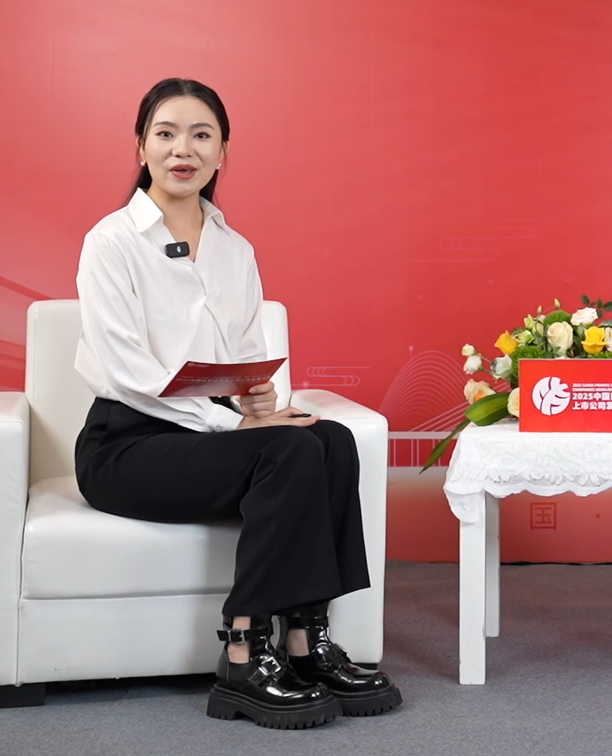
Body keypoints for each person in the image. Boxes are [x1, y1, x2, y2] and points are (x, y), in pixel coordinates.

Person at [73, 78, 400, 730]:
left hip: (209, 437)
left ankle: (307, 642)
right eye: (166, 133)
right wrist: (238, 427)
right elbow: (129, 374)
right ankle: (244, 653)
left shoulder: (235, 249)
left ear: (222, 151)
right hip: (126, 445)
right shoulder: (111, 242)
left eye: (201, 135)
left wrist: (259, 402)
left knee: (329, 440)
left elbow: (250, 358)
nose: (183, 150)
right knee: (287, 449)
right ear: (141, 146)